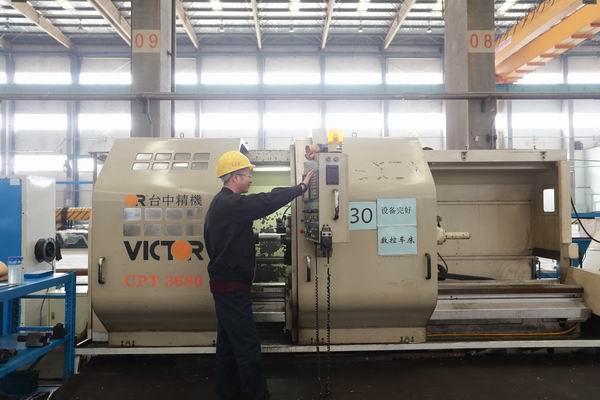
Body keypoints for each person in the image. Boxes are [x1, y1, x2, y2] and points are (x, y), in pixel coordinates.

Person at [204, 150, 315, 400]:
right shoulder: (230, 204)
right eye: (247, 175)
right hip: (232, 289)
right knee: (248, 347)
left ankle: (227, 394)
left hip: (225, 286)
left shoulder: (221, 204)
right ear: (234, 177)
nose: (251, 179)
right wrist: (300, 188)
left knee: (227, 347)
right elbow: (264, 201)